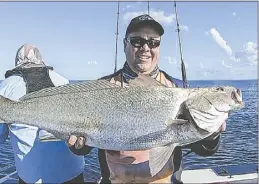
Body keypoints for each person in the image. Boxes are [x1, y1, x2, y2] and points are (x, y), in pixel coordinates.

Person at [68, 14, 227, 183]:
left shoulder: (178, 90)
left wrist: (211, 136)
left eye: (153, 42)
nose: (145, 48)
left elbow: (203, 150)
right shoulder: (102, 88)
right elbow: (85, 145)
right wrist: (79, 145)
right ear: (125, 44)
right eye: (137, 41)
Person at [0, 43, 86, 184]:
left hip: (31, 178)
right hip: (72, 174)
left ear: (17, 62)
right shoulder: (63, 81)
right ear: (42, 60)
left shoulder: (5, 87)